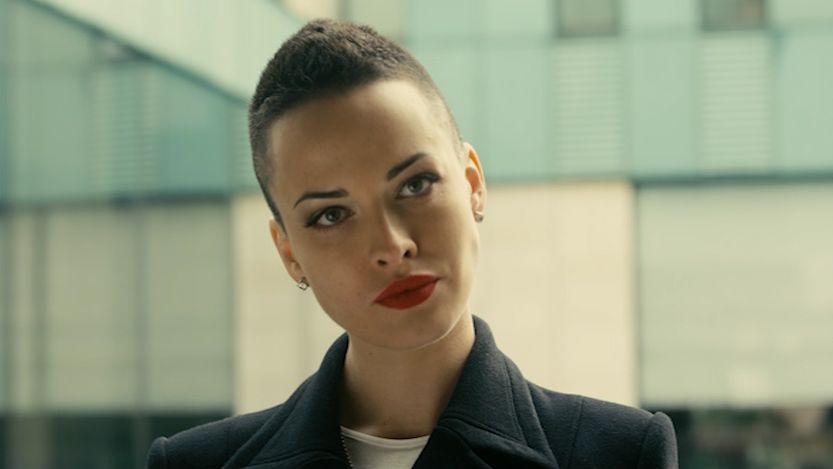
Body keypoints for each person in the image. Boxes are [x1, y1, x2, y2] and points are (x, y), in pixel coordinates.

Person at [146, 19, 678, 469]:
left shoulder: (621, 453)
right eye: (331, 215)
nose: (392, 245)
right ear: (288, 252)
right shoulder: (194, 464)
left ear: (472, 183)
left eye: (415, 185)